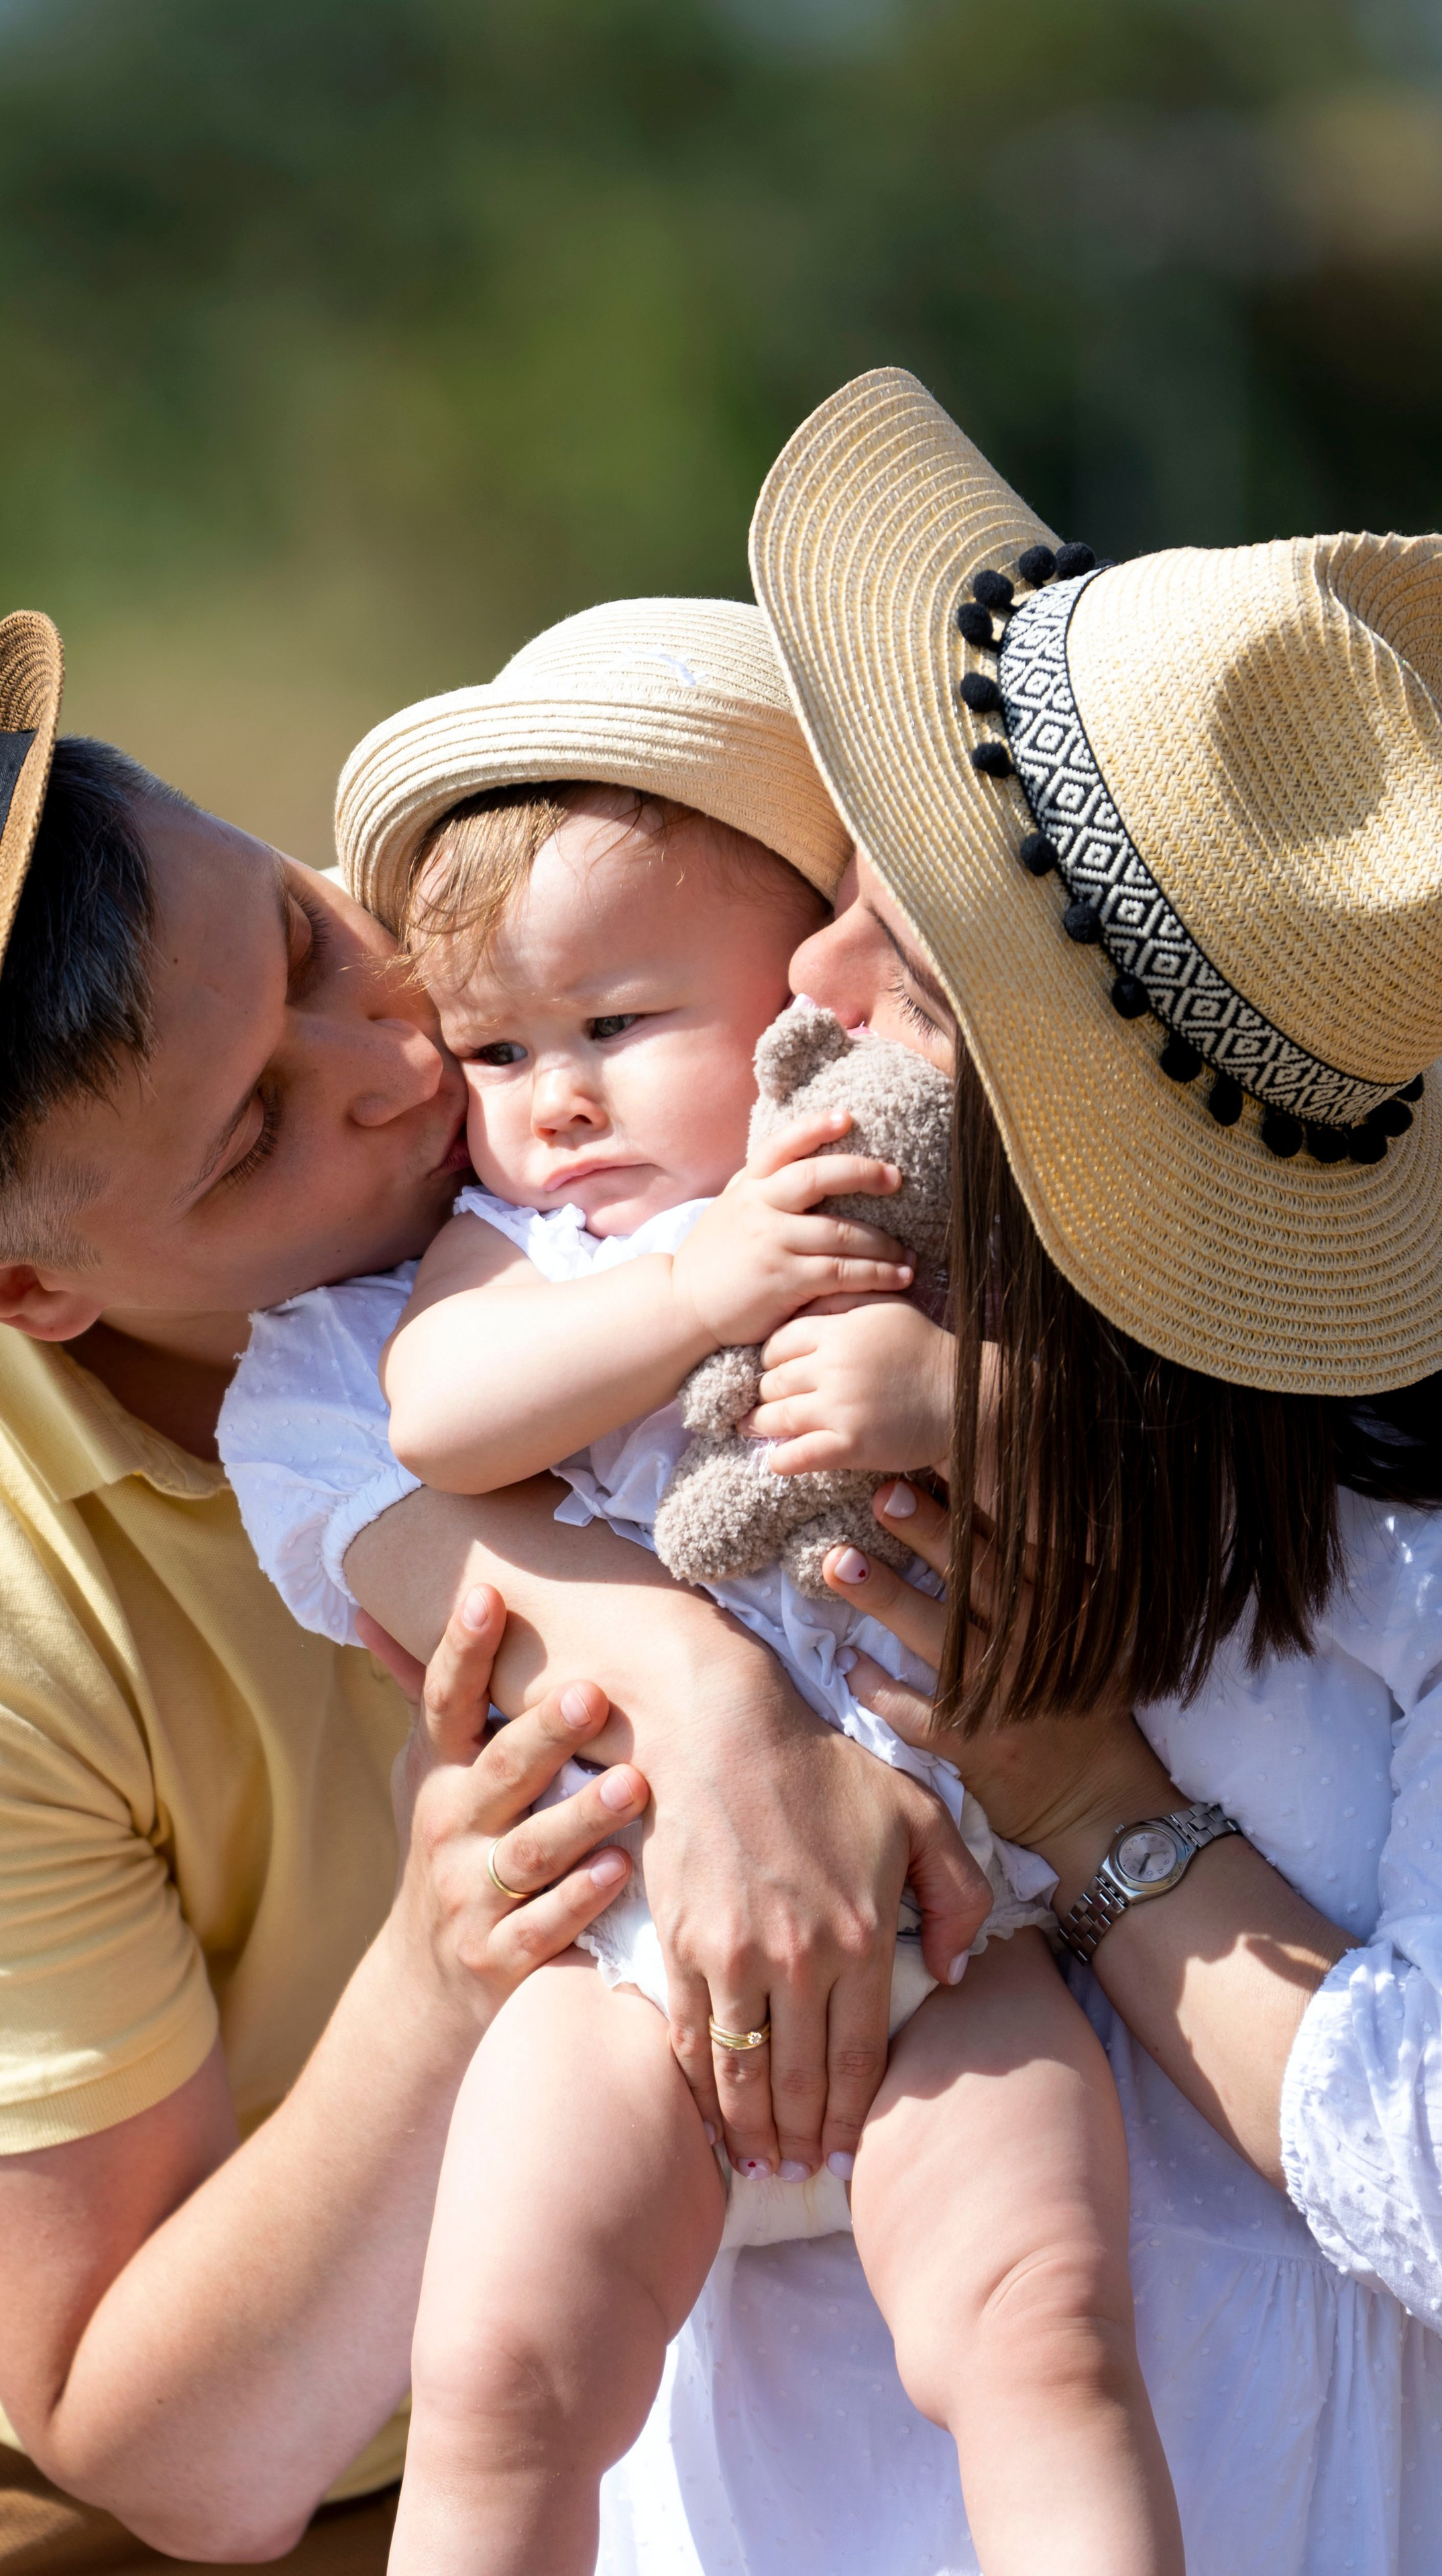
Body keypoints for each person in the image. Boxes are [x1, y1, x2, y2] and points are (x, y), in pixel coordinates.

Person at [0, 607, 989, 2571]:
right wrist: (443, 1957)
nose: (404, 1058)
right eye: (254, 1133)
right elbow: (174, 2451)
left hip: (646, 2264)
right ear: (20, 1290)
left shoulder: (517, 958)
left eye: (303, 936)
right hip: (19, 2441)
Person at [573, 368, 1442, 2574]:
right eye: (852, 880)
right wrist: (700, 1700)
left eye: (921, 977)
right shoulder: (729, 1264)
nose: (807, 975)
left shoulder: (1395, 1539)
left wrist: (1086, 1804)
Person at [363, 765, 1176, 2568]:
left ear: (795, 993)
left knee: (1046, 2334)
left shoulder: (914, 1186)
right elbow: (434, 1416)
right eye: (495, 1051)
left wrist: (949, 1395)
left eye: (617, 1023)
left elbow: (1136, 1480)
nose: (559, 1097)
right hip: (630, 1957)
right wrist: (691, 1294)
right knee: (498, 2379)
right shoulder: (524, 1250)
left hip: (960, 1918)